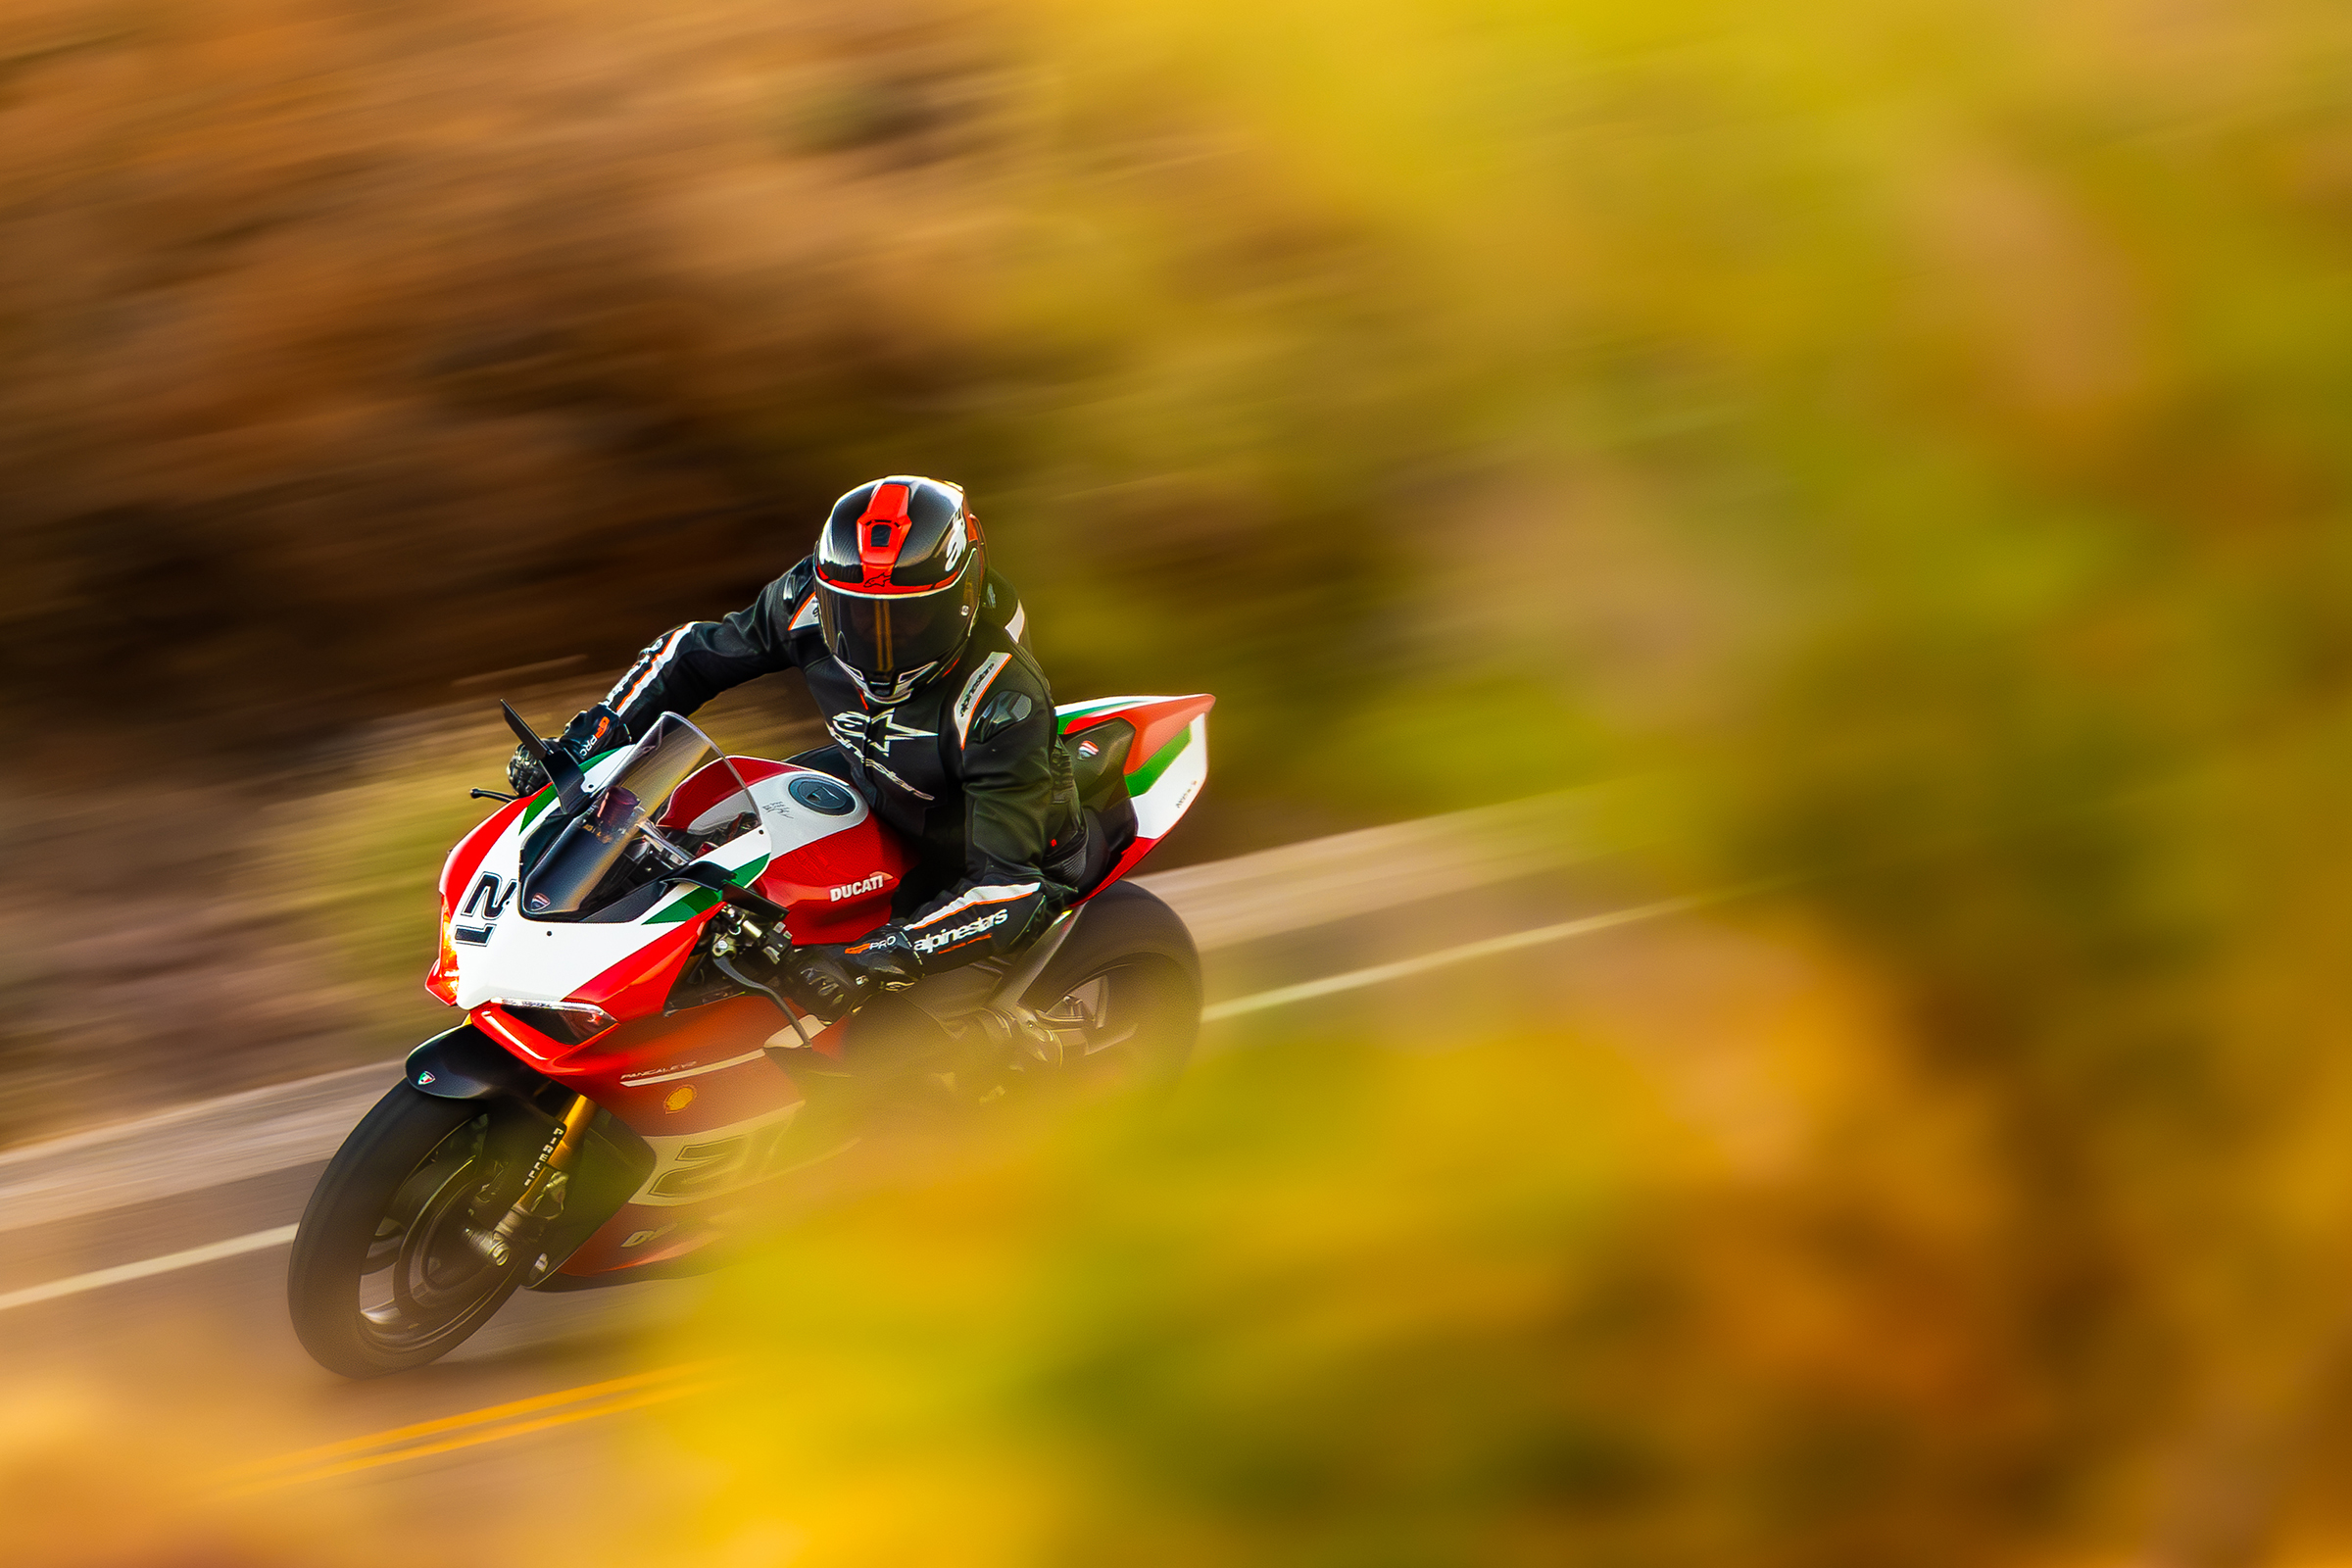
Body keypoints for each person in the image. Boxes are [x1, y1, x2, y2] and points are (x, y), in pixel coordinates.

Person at [509, 476, 1100, 1023]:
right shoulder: (808, 599)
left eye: (910, 621)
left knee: (877, 1046)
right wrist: (592, 738)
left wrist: (866, 959)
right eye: (858, 617)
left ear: (963, 596)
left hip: (980, 851)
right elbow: (690, 654)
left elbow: (1011, 887)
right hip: (873, 783)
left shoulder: (1003, 699)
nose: (879, 644)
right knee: (705, 831)